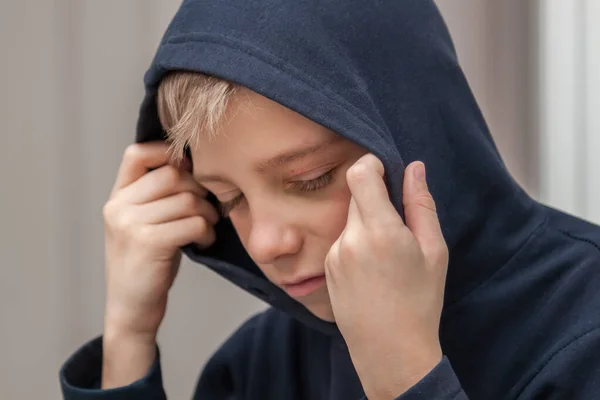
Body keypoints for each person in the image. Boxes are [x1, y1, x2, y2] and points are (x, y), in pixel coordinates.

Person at [59, 0, 600, 399]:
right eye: (227, 200)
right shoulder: (257, 366)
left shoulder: (584, 329)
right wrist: (128, 340)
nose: (267, 243)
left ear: (417, 132)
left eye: (310, 178)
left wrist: (403, 374)